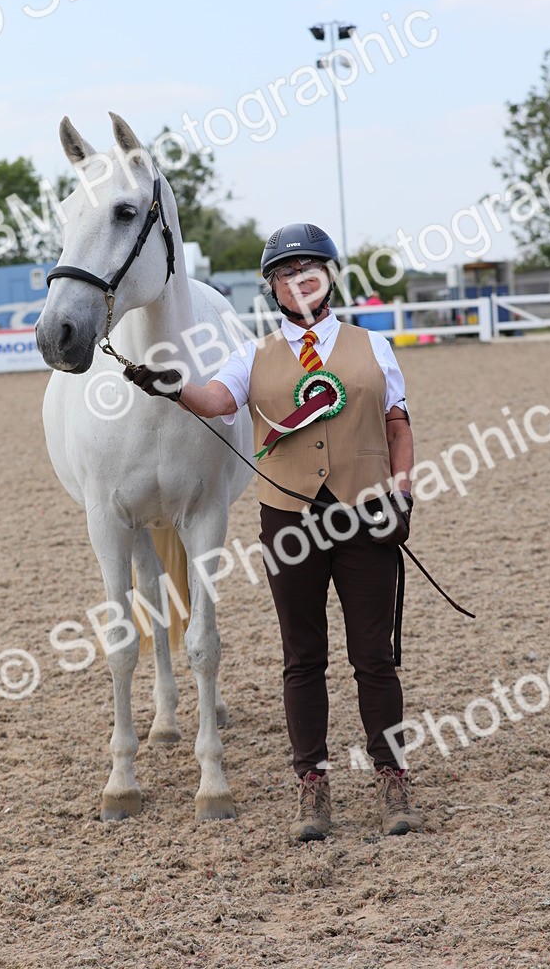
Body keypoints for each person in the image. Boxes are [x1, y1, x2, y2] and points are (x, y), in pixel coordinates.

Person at [124, 222, 423, 843]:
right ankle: (312, 788)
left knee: (374, 656)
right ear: (273, 289)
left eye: (309, 269)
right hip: (290, 520)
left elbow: (397, 424)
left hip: (365, 515)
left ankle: (392, 777)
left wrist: (403, 487)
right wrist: (173, 386)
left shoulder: (375, 348)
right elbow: (214, 401)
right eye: (285, 274)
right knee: (302, 657)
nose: (298, 281)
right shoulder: (252, 357)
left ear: (330, 277)